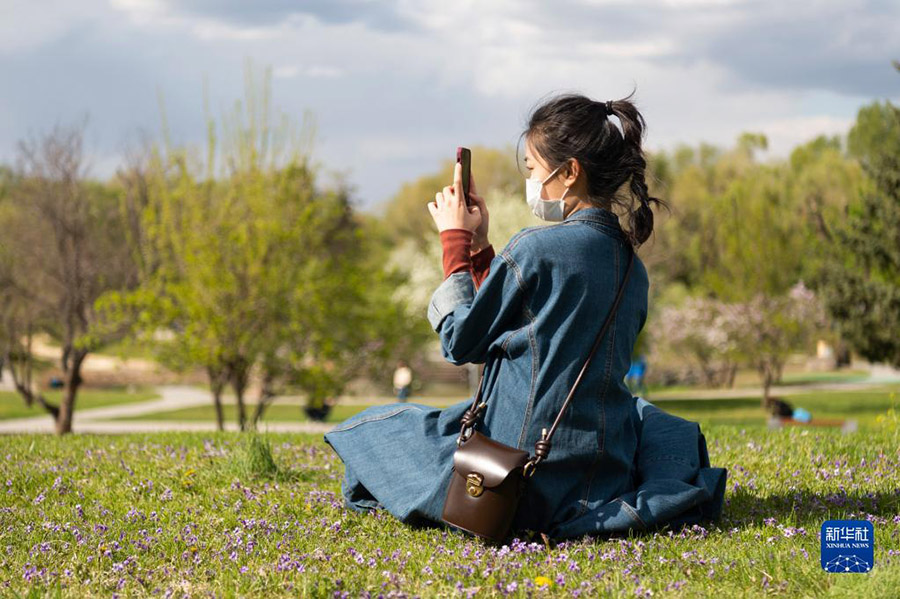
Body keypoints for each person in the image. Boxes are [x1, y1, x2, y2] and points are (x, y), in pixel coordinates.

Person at [324, 92, 727, 539]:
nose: (531, 181)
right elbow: (528, 320)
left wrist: (455, 245)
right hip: (602, 474)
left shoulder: (535, 248)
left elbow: (461, 343)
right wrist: (482, 251)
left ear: (569, 172)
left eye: (533, 169)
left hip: (516, 476)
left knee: (386, 430)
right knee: (644, 415)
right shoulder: (634, 269)